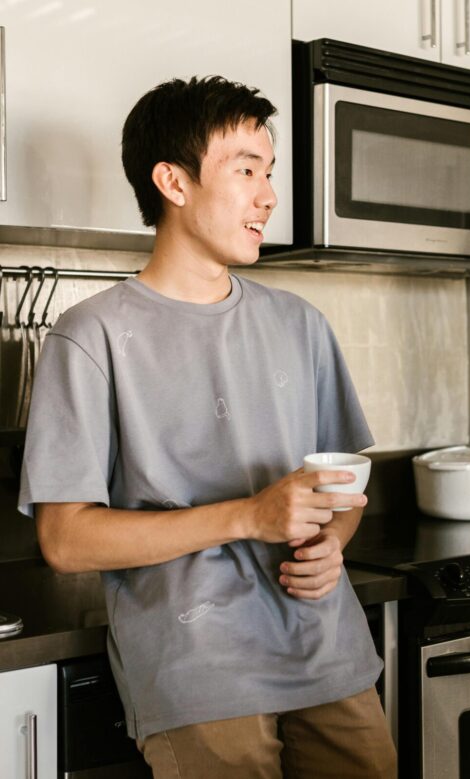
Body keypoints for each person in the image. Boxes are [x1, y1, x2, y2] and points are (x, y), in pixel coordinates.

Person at [18, 76, 397, 778]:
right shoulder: (90, 337)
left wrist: (334, 544)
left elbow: (339, 494)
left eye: (270, 173)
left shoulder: (300, 325)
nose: (268, 196)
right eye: (245, 170)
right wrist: (249, 516)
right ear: (174, 181)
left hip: (330, 654)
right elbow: (64, 539)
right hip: (197, 674)